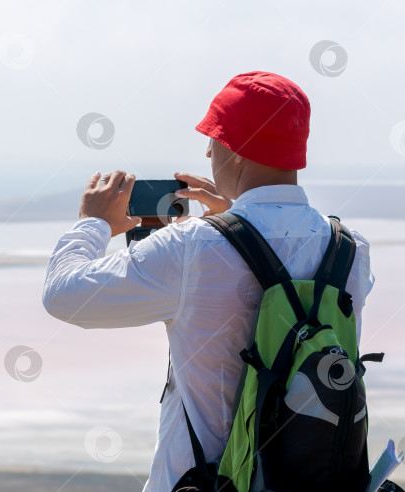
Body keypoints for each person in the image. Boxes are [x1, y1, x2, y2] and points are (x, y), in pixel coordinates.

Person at [41, 71, 374, 492]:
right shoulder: (350, 250)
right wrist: (234, 221)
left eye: (214, 139)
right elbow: (281, 253)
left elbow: (64, 295)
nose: (207, 150)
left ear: (237, 154)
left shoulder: (191, 248)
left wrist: (94, 224)